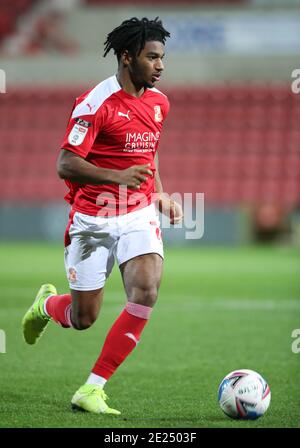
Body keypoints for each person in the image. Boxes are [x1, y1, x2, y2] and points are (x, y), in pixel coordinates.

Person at [22, 17, 183, 416]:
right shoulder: (96, 103)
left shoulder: (159, 102)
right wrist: (118, 176)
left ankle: (92, 389)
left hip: (138, 213)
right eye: (152, 57)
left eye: (162, 57)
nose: (160, 65)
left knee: (146, 290)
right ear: (128, 57)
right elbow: (65, 163)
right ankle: (46, 306)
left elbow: (149, 151)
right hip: (92, 220)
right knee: (83, 318)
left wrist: (158, 192)